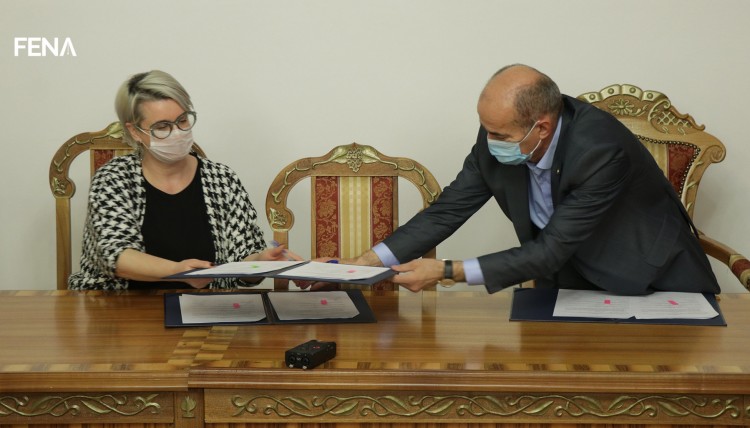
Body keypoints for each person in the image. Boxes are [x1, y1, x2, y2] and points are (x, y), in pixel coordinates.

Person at [349, 64, 720, 295]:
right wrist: (365, 262)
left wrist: (447, 271)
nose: (489, 141)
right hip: (568, 282)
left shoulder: (600, 150)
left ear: (541, 128)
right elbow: (447, 210)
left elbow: (551, 249)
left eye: (499, 135)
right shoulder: (499, 133)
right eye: (485, 129)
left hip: (653, 278)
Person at [68, 70, 289, 290]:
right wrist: (178, 271)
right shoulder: (114, 179)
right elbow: (117, 257)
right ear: (134, 131)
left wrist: (261, 262)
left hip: (204, 306)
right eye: (162, 127)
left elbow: (243, 260)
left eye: (182, 120)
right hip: (121, 305)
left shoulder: (222, 180)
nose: (177, 133)